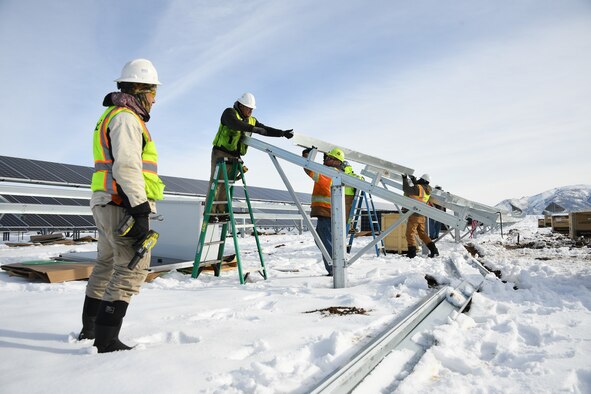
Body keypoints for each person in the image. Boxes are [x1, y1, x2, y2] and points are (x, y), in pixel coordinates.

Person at [78, 59, 165, 353]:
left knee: (105, 264)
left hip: (104, 202)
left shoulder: (110, 116)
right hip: (121, 204)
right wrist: (140, 210)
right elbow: (127, 167)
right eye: (153, 92)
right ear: (140, 89)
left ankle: (90, 329)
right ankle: (106, 341)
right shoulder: (127, 118)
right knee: (131, 267)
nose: (154, 99)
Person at [209, 92, 293, 221]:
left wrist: (282, 133)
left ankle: (221, 212)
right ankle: (211, 214)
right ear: (240, 105)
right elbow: (235, 124)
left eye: (252, 109)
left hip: (235, 156)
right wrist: (254, 129)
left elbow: (265, 130)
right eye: (248, 108)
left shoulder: (251, 120)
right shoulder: (229, 113)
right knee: (218, 183)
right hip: (221, 153)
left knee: (228, 185)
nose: (250, 111)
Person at [302, 147, 345, 276]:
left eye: (329, 158)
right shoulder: (334, 172)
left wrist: (307, 158)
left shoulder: (331, 172)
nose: (326, 159)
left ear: (336, 161)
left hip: (326, 211)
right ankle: (334, 268)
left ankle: (334, 269)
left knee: (324, 240)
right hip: (327, 211)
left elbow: (311, 171)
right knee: (324, 240)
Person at [402, 173, 439, 258]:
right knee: (422, 234)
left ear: (423, 180)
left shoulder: (418, 188)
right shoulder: (428, 189)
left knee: (409, 233)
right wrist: (413, 180)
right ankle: (434, 250)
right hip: (422, 215)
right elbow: (419, 189)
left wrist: (404, 179)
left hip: (414, 214)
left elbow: (406, 189)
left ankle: (412, 253)